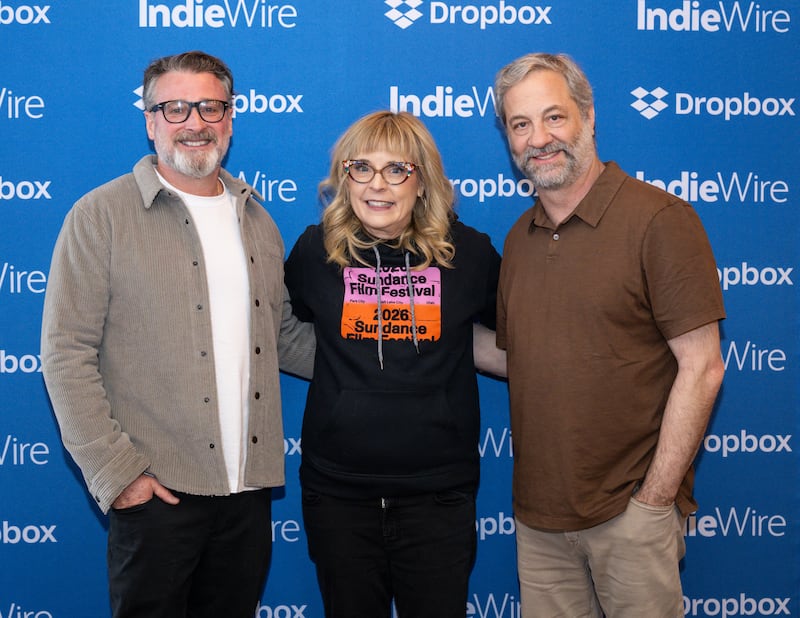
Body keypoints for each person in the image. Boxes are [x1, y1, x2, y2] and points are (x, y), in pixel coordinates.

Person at [40, 50, 314, 618]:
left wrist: (399, 351)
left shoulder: (257, 221)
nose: (194, 122)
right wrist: (118, 476)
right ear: (149, 120)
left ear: (231, 118)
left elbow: (284, 336)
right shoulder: (100, 216)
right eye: (175, 108)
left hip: (247, 496)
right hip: (155, 495)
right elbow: (66, 355)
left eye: (210, 107)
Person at [492, 52, 726, 617]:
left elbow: (703, 366)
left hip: (630, 518)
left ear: (589, 118)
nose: (538, 139)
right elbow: (516, 357)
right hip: (539, 523)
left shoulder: (660, 220)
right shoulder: (518, 238)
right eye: (520, 124)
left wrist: (654, 501)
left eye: (554, 117)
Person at [284, 110, 502, 618]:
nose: (376, 185)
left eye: (396, 169)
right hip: (339, 496)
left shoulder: (469, 254)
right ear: (344, 177)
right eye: (361, 168)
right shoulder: (314, 252)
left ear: (422, 180)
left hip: (438, 496)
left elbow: (511, 337)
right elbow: (279, 329)